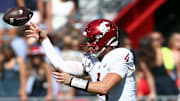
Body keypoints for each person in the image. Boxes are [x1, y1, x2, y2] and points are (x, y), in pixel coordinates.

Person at [25, 19, 136, 101]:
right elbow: (61, 65)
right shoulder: (91, 59)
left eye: (92, 40)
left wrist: (72, 81)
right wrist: (44, 40)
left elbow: (104, 87)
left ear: (106, 39)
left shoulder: (121, 54)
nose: (88, 44)